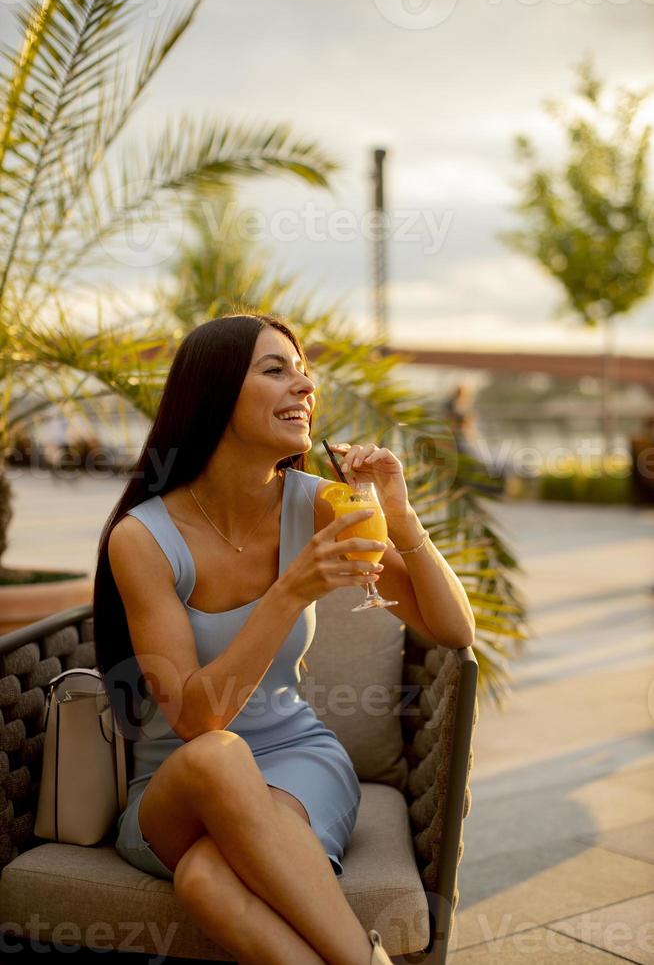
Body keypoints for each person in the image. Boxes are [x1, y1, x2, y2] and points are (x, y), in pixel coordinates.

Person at [94, 312, 474, 965]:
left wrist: (400, 514)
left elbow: (452, 627)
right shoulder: (142, 539)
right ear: (212, 394)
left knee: (206, 881)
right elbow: (195, 720)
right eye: (276, 370)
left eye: (305, 372)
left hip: (301, 764)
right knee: (219, 755)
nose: (303, 386)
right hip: (176, 785)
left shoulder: (324, 503)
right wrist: (291, 590)